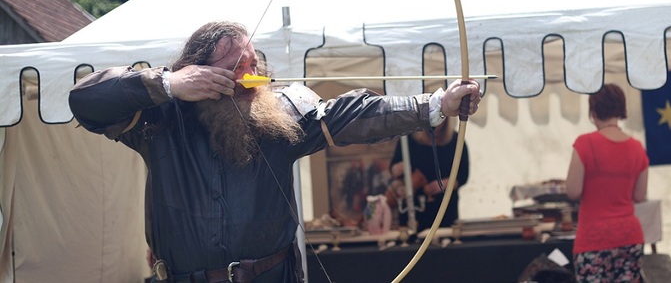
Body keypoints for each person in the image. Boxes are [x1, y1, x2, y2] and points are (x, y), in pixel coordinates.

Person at [68, 21, 481, 283]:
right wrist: (167, 84)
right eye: (236, 68)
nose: (252, 77)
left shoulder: (278, 116)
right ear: (198, 73)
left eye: (254, 65)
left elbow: (352, 114)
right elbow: (84, 100)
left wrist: (436, 105)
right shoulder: (159, 119)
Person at [565, 84, 649, 283]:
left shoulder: (585, 143)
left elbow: (573, 191)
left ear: (593, 112)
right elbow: (640, 195)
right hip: (629, 236)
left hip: (593, 238)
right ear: (620, 110)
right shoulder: (637, 147)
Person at [387, 116, 469, 231]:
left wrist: (447, 183)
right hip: (413, 209)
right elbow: (393, 167)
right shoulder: (409, 139)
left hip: (444, 208)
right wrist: (397, 168)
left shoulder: (456, 141)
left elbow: (463, 175)